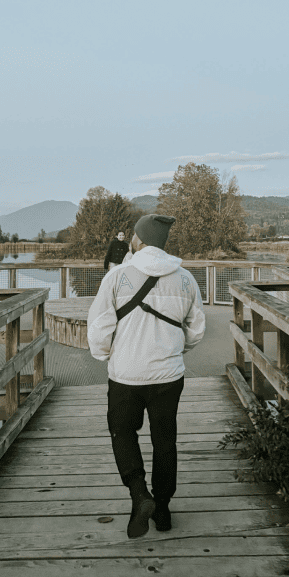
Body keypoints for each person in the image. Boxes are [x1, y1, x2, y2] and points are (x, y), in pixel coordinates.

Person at [87, 214, 206, 538]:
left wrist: (106, 355)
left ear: (138, 240)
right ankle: (163, 509)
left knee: (122, 432)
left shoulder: (117, 276)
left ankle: (140, 495)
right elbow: (196, 329)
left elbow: (99, 327)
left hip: (127, 375)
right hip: (168, 376)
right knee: (165, 440)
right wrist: (176, 351)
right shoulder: (185, 279)